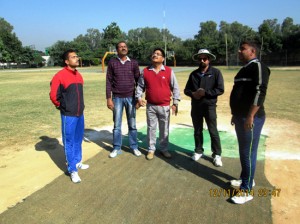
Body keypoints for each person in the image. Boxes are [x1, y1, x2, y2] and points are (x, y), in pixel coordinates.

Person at [229, 41, 270, 204]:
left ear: (253, 51)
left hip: (251, 117)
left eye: (243, 49)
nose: (239, 51)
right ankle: (246, 178)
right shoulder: (243, 69)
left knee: (248, 152)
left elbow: (260, 92)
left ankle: (246, 190)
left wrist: (251, 116)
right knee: (244, 150)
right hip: (240, 116)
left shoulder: (258, 66)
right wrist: (234, 114)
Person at [49, 49, 89, 184]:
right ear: (67, 61)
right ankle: (72, 170)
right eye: (73, 57)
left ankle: (78, 162)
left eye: (77, 56)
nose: (77, 58)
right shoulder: (59, 75)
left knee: (78, 139)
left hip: (80, 114)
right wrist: (63, 106)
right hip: (69, 115)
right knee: (69, 142)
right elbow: (54, 95)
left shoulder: (79, 75)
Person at [135, 48, 180, 160]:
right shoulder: (145, 71)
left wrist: (175, 103)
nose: (155, 55)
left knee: (164, 129)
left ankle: (164, 149)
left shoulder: (169, 71)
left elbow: (175, 88)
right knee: (151, 128)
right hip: (151, 106)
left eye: (158, 54)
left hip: (165, 106)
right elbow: (140, 87)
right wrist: (139, 98)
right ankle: (151, 149)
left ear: (163, 58)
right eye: (154, 53)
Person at [184, 49, 224, 167]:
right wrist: (193, 94)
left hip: (209, 106)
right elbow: (187, 90)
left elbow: (220, 89)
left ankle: (217, 154)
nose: (202, 60)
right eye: (200, 58)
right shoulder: (194, 74)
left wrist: (205, 93)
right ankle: (198, 151)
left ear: (209, 59)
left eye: (204, 58)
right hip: (196, 106)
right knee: (197, 130)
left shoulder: (216, 72)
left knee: (213, 131)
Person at [106, 41, 141, 158]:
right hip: (117, 98)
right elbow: (108, 81)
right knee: (117, 125)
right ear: (117, 50)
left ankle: (134, 146)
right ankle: (116, 147)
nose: (123, 48)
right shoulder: (112, 62)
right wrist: (108, 99)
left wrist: (138, 98)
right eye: (120, 47)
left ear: (127, 49)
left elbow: (139, 82)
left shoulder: (134, 63)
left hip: (131, 98)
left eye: (125, 46)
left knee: (132, 124)